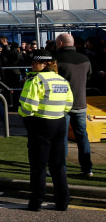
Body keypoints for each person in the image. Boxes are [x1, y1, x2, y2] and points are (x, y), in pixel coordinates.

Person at [19, 49, 73, 212]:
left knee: (38, 166)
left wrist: (25, 116)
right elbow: (69, 103)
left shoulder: (36, 80)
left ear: (44, 63)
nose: (32, 65)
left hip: (40, 124)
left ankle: (36, 202)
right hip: (59, 122)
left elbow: (28, 106)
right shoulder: (61, 80)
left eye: (34, 62)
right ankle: (63, 201)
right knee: (57, 166)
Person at [56, 33, 93, 177]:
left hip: (62, 104)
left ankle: (61, 168)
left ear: (60, 43)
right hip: (80, 102)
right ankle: (87, 168)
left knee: (62, 137)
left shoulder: (57, 60)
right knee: (82, 136)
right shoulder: (85, 59)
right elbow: (89, 77)